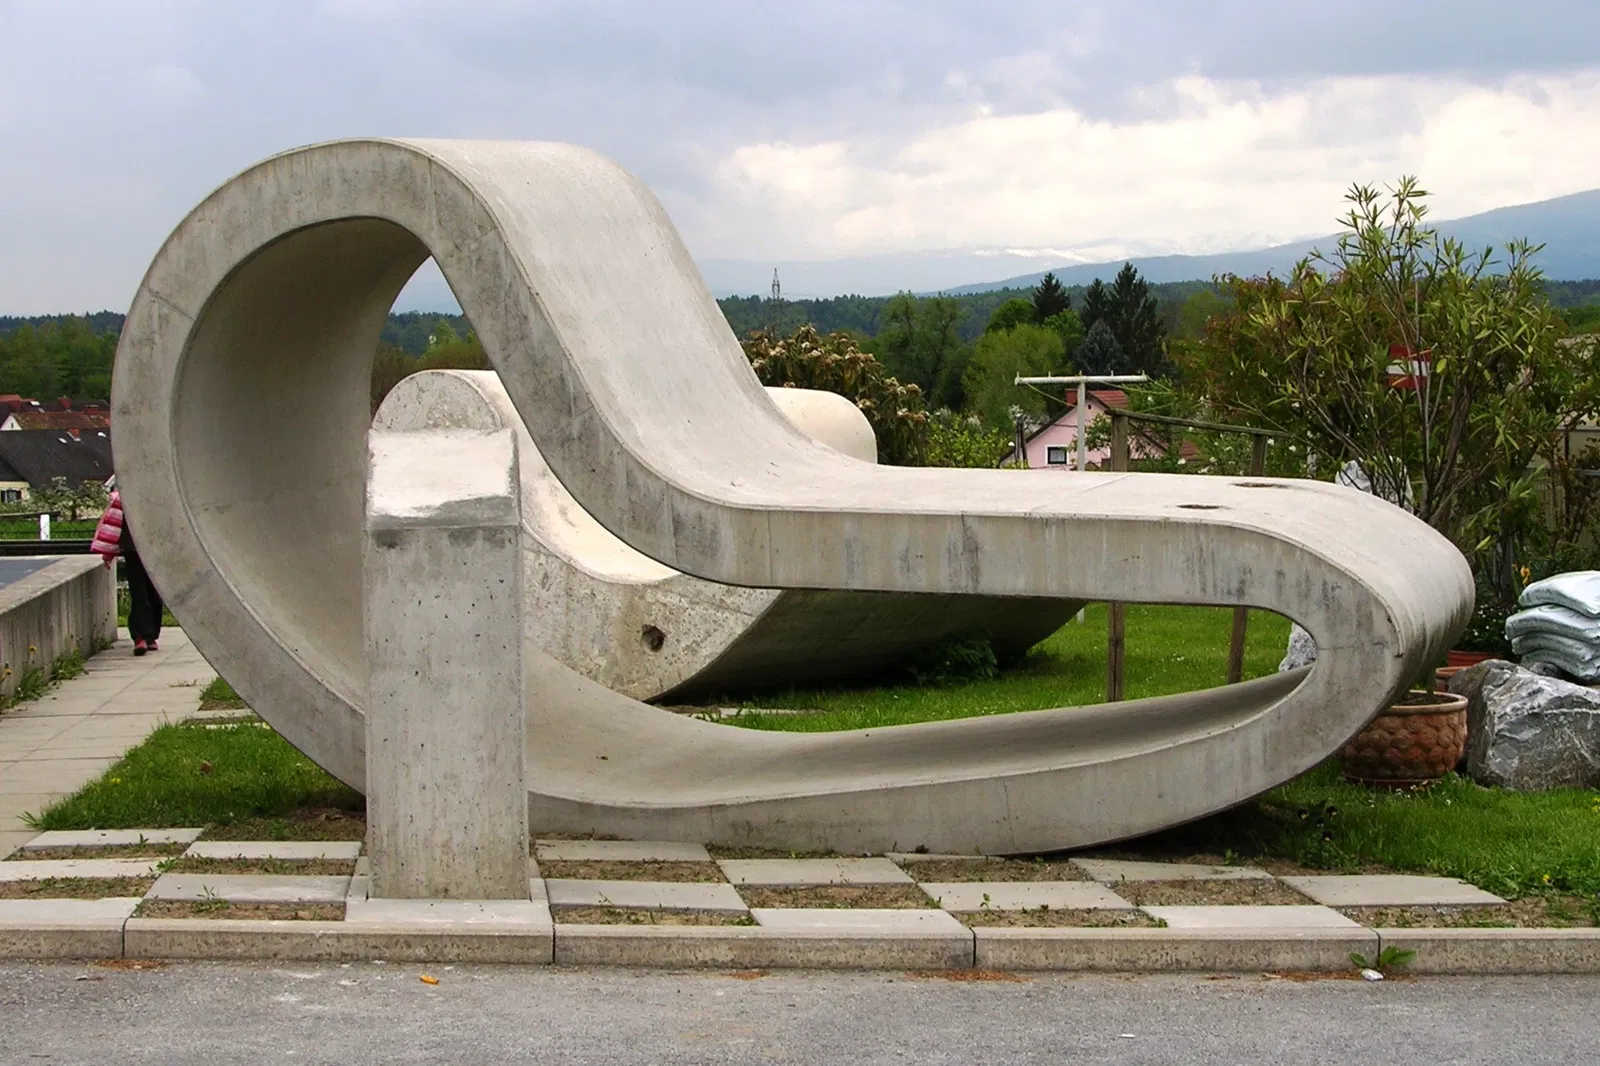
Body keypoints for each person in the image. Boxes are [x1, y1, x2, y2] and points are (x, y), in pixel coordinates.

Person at [91, 477, 164, 655]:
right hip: (133, 550)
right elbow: (114, 524)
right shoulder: (123, 498)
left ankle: (150, 635)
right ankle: (140, 636)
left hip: (154, 552)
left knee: (154, 594)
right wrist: (108, 552)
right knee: (139, 593)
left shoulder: (158, 499)